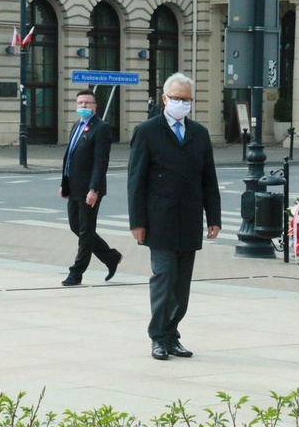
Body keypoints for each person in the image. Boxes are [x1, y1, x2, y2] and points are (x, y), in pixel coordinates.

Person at [127, 72, 221, 361]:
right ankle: (158, 337)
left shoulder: (199, 134)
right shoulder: (147, 131)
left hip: (189, 218)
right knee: (164, 278)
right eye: (176, 98)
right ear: (164, 99)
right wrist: (137, 222)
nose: (181, 103)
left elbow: (209, 179)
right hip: (160, 220)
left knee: (182, 285)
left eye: (186, 99)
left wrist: (213, 218)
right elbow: (136, 180)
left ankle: (172, 335)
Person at [59, 89, 122, 286]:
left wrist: (94, 189)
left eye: (87, 103)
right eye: (80, 103)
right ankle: (110, 256)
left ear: (95, 106)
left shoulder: (101, 128)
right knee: (75, 226)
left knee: (86, 230)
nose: (83, 106)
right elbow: (70, 157)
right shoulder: (77, 125)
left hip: (89, 189)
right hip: (74, 187)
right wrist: (64, 184)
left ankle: (76, 272)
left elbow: (100, 162)